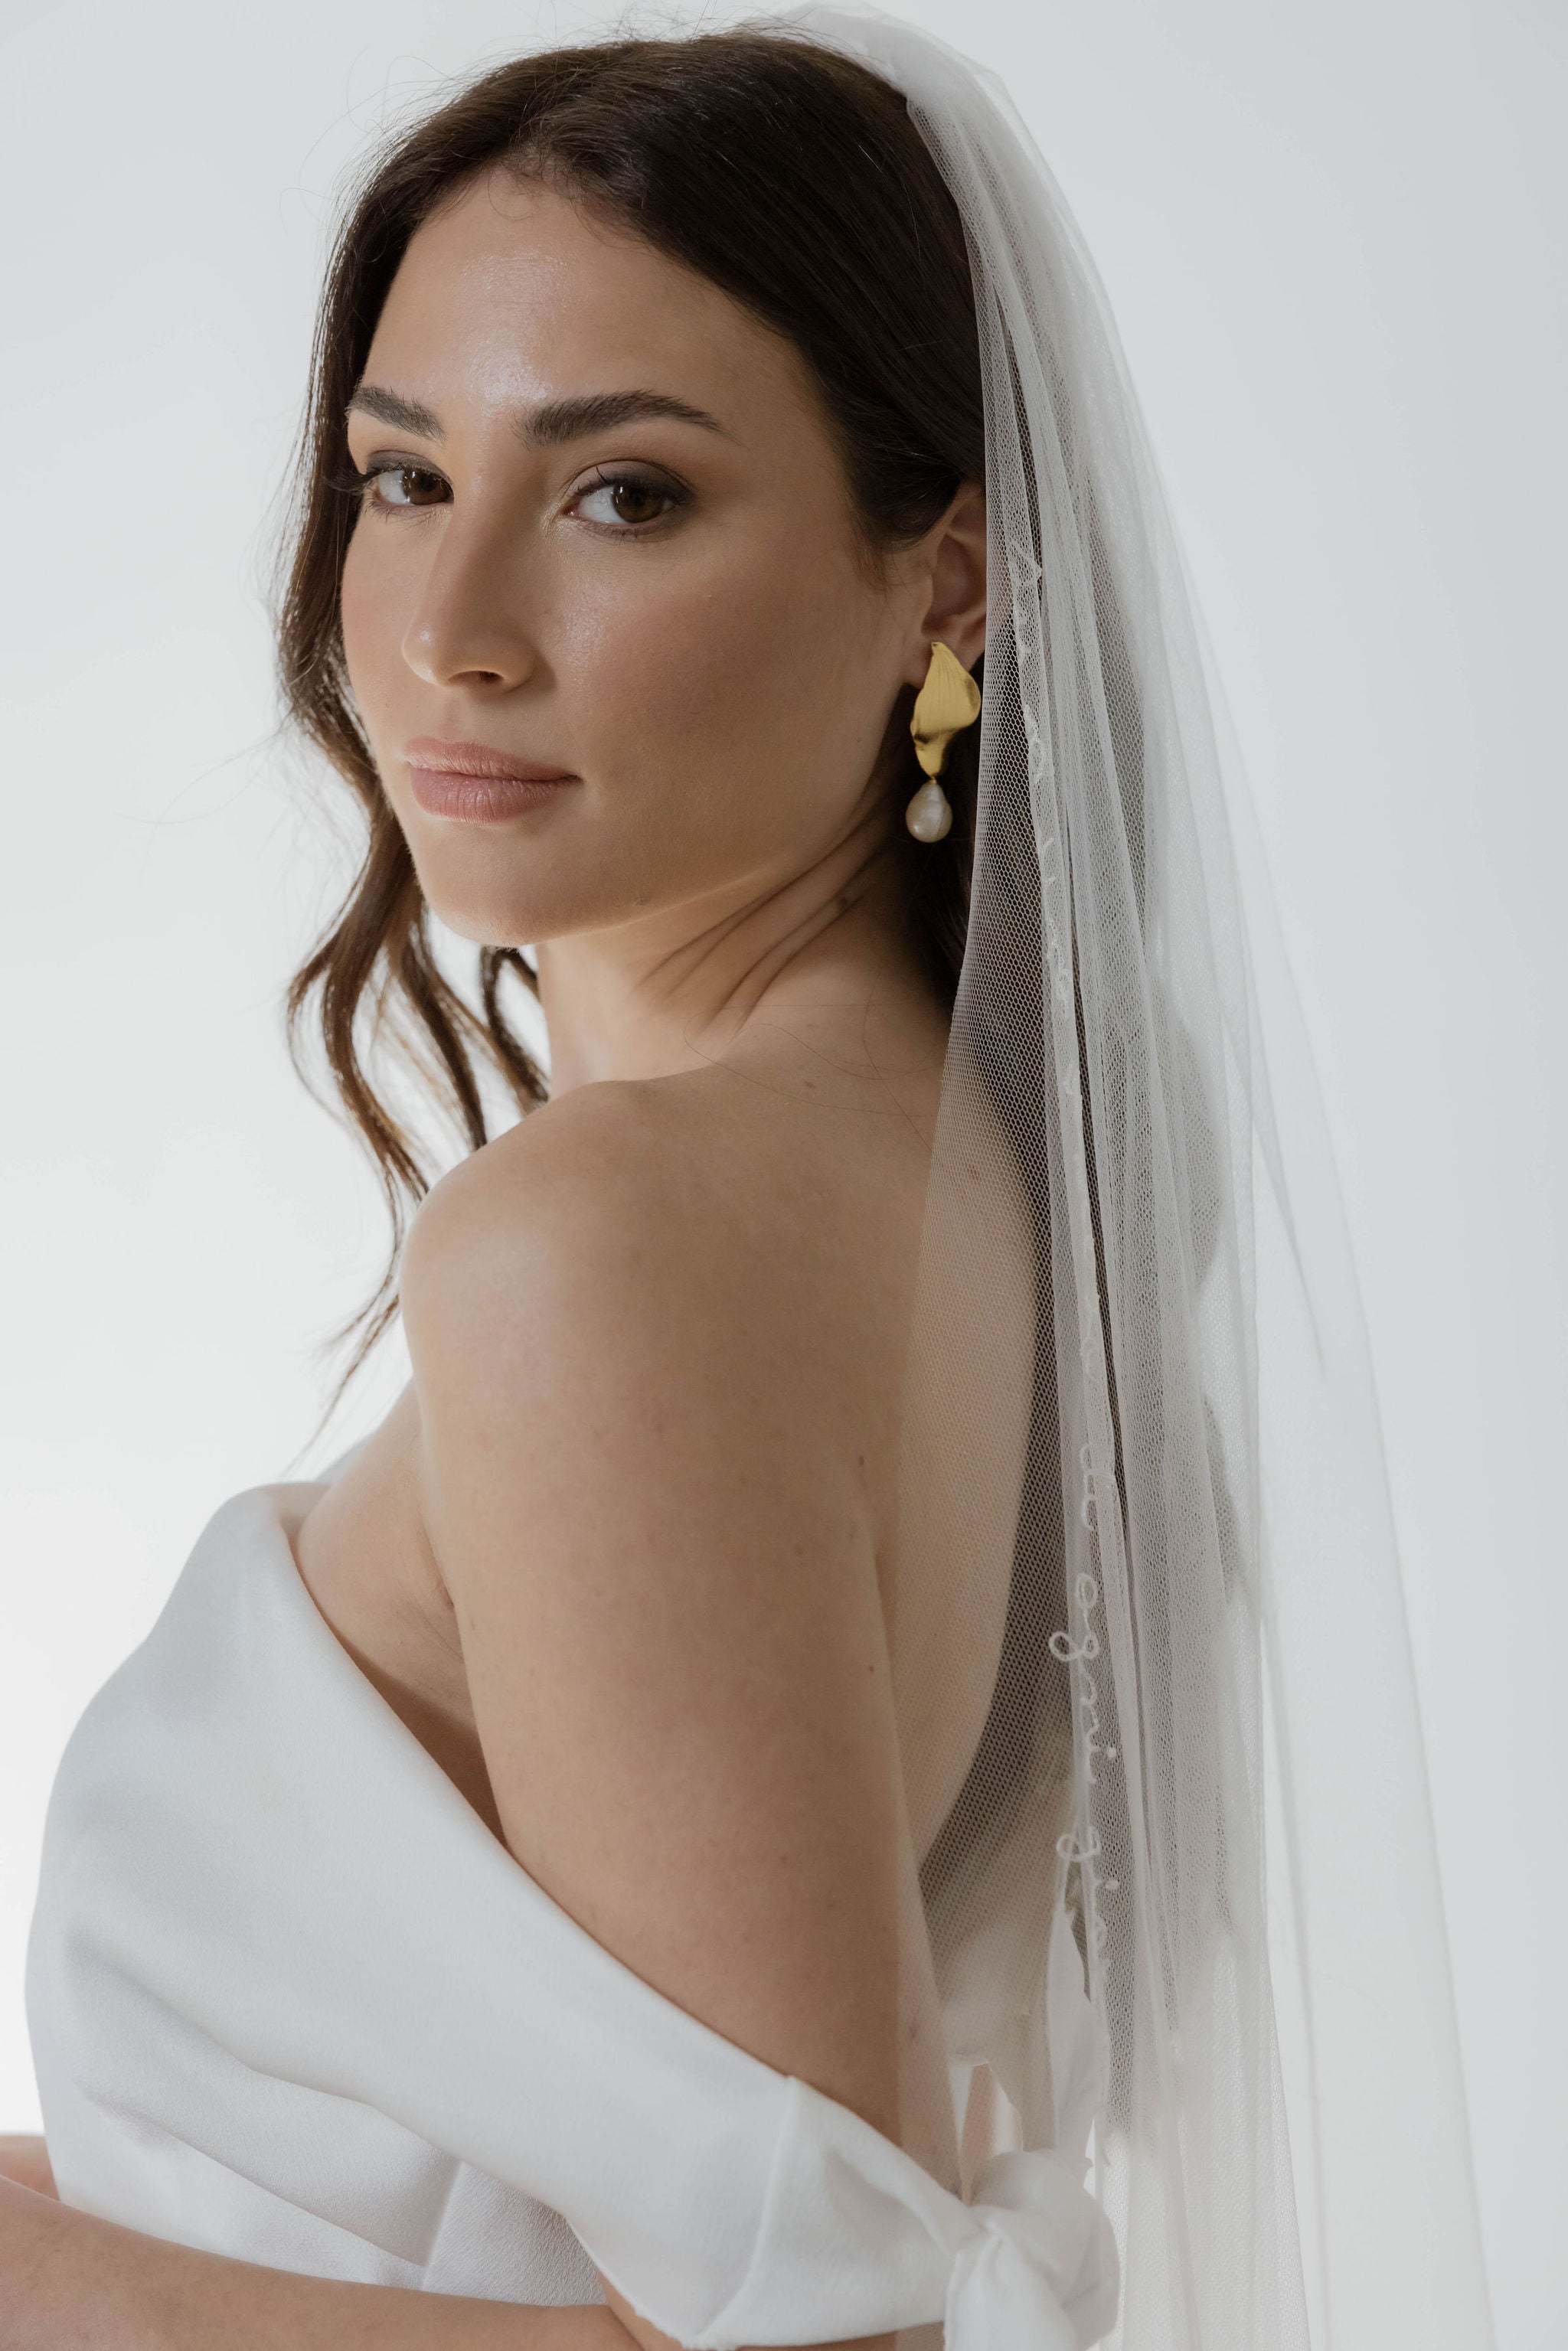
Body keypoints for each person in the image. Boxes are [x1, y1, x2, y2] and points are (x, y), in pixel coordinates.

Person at [2, 8, 1494, 2349]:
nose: (450, 630)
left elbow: (841, 2333)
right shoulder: (940, 1170)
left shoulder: (607, 1244)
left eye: (625, 496)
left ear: (950, 581)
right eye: (403, 478)